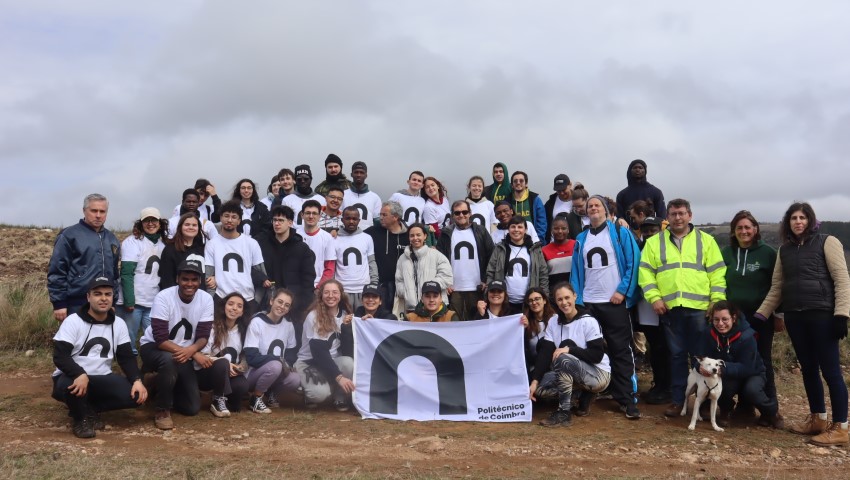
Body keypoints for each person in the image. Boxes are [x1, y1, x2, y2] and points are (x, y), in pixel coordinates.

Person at [756, 202, 850, 446]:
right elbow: (777, 287)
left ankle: (841, 427)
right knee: (808, 369)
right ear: (788, 223)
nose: (798, 222)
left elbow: (842, 279)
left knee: (831, 372)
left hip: (822, 315)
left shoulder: (827, 241)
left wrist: (842, 315)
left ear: (810, 220)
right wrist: (761, 315)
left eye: (802, 217)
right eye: (793, 218)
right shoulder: (784, 250)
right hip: (795, 317)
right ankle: (818, 419)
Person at [638, 198, 727, 418]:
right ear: (667, 217)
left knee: (702, 359)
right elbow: (645, 273)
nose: (678, 218)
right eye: (673, 214)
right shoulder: (654, 243)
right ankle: (678, 401)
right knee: (676, 357)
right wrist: (654, 298)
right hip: (670, 309)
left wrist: (716, 301)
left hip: (700, 309)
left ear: (690, 215)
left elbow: (717, 273)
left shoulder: (706, 241)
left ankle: (704, 403)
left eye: (681, 213)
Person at [570, 195, 642, 419]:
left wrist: (622, 291)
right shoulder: (581, 238)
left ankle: (627, 399)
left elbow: (634, 262)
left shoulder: (620, 233)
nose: (593, 208)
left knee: (621, 350)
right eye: (589, 206)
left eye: (597, 205)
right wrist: (578, 300)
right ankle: (587, 395)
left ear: (605, 210)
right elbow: (576, 271)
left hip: (614, 302)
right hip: (589, 303)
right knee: (588, 351)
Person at [52, 277, 147, 438]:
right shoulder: (73, 321)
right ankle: (80, 419)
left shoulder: (118, 323)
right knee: (72, 386)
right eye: (97, 294)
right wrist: (79, 373)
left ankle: (88, 408)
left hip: (102, 377)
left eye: (107, 294)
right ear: (88, 297)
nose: (103, 298)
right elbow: (60, 356)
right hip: (71, 376)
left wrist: (137, 380)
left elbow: (126, 357)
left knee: (137, 396)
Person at [139, 259, 214, 430]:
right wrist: (193, 353)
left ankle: (157, 382)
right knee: (169, 360)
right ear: (177, 279)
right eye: (185, 279)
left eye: (194, 280)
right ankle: (162, 410)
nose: (189, 284)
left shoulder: (206, 299)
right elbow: (160, 338)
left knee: (192, 408)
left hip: (184, 352)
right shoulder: (164, 297)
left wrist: (191, 350)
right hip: (155, 347)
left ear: (200, 281)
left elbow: (203, 336)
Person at [720, 210, 779, 419]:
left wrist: (778, 315)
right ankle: (742, 406)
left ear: (755, 229)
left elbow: (778, 285)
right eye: (739, 228)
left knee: (762, 360)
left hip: (761, 317)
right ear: (733, 231)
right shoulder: (726, 253)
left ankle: (771, 410)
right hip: (733, 319)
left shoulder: (769, 253)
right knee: (734, 358)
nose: (743, 231)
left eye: (747, 227)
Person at [530, 282, 612, 427]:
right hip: (572, 372)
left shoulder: (589, 321)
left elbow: (597, 355)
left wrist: (570, 350)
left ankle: (564, 413)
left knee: (563, 359)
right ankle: (581, 394)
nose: (564, 302)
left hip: (598, 373)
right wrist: (534, 381)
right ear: (555, 302)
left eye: (567, 297)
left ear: (575, 296)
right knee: (539, 389)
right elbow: (545, 354)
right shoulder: (554, 321)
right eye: (560, 299)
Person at [698, 301, 784, 429]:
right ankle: (725, 410)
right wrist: (700, 367)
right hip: (726, 374)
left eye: (725, 319)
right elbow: (699, 356)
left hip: (752, 373)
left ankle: (771, 412)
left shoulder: (747, 336)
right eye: (716, 319)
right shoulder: (708, 333)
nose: (720, 324)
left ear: (733, 318)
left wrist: (723, 369)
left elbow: (747, 367)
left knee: (752, 390)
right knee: (718, 383)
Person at [49, 193, 121, 323]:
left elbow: (115, 274)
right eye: (94, 210)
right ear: (84, 210)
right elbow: (57, 270)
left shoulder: (112, 239)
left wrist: (113, 301)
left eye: (102, 211)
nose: (98, 215)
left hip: (104, 304)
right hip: (76, 304)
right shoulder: (69, 235)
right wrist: (59, 303)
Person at [295, 280, 355, 410]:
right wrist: (339, 377)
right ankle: (307, 392)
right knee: (319, 395)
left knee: (349, 362)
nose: (330, 296)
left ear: (341, 295)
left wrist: (346, 329)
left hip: (332, 361)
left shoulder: (345, 315)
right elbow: (318, 351)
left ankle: (339, 397)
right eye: (326, 292)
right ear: (321, 295)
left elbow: (347, 349)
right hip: (309, 362)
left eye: (335, 292)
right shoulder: (314, 316)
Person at [204, 201, 270, 316]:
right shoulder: (212, 244)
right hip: (221, 298)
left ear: (239, 221)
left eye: (234, 217)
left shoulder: (251, 243)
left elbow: (262, 276)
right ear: (221, 218)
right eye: (226, 216)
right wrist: (211, 301)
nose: (229, 220)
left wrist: (256, 301)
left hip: (248, 299)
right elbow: (209, 277)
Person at [632, 216, 671, 405]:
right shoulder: (639, 248)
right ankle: (659, 385)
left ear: (660, 230)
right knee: (654, 347)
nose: (648, 234)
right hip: (646, 306)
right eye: (645, 231)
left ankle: (667, 387)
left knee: (665, 348)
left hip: (664, 305)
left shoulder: (667, 248)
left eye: (652, 230)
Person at [243, 288, 301, 414]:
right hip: (253, 374)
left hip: (275, 371)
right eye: (280, 302)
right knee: (275, 365)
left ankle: (271, 393)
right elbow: (251, 357)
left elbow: (291, 352)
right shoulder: (257, 322)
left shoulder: (288, 325)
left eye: (287, 305)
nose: (282, 307)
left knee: (295, 379)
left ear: (289, 309)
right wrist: (278, 360)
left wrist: (287, 364)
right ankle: (255, 398)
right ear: (271, 301)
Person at [256, 205, 316, 323]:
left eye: (281, 220)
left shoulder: (301, 247)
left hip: (294, 304)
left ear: (290, 223)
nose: (276, 223)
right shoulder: (261, 243)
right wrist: (261, 278)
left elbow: (308, 278)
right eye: (274, 220)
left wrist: (303, 303)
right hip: (268, 301)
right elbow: (252, 267)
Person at [120, 207, 168, 353]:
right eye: (147, 220)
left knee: (153, 338)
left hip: (153, 300)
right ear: (141, 223)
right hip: (135, 301)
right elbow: (127, 273)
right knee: (129, 338)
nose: (150, 223)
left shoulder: (162, 245)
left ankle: (149, 364)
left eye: (154, 220)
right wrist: (129, 300)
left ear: (160, 223)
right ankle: (129, 365)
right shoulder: (133, 242)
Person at [436, 200, 494, 321]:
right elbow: (439, 260)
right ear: (452, 215)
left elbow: (491, 257)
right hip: (453, 290)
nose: (461, 215)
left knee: (476, 322)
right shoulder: (446, 233)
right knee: (455, 323)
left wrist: (486, 279)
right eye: (457, 213)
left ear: (470, 213)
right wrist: (445, 282)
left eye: (464, 212)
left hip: (477, 288)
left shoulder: (481, 231)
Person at [194, 292, 250, 417]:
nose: (234, 308)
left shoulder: (243, 331)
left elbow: (245, 356)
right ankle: (217, 400)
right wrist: (225, 364)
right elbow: (202, 355)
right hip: (206, 372)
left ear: (242, 312)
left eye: (239, 306)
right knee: (223, 363)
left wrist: (240, 367)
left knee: (242, 387)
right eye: (230, 304)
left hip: (228, 375)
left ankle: (225, 399)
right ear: (224, 306)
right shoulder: (212, 327)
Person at [486, 215, 548, 312]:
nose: (516, 230)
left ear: (526, 230)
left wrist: (544, 297)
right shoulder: (500, 249)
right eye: (513, 227)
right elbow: (490, 272)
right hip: (505, 302)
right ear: (508, 229)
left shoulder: (535, 250)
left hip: (529, 302)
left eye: (520, 227)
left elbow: (543, 274)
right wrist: (488, 294)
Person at [395, 223, 453, 314]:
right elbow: (399, 281)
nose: (415, 238)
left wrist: (430, 288)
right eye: (412, 235)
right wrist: (407, 294)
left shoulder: (437, 255)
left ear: (425, 236)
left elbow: (446, 277)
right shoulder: (402, 258)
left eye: (418, 235)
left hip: (435, 308)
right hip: (412, 309)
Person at [365, 201, 409, 309]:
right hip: (380, 286)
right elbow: (354, 236)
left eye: (384, 215)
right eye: (380, 214)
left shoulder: (409, 235)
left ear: (395, 217)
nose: (380, 218)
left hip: (402, 286)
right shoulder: (372, 232)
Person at [333, 207, 379, 309]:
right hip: (343, 289)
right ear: (342, 220)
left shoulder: (367, 238)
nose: (351, 221)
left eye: (354, 219)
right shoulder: (334, 239)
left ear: (359, 220)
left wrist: (374, 283)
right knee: (344, 317)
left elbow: (371, 262)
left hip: (364, 289)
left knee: (362, 317)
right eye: (348, 218)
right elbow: (332, 265)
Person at [159, 213, 206, 291]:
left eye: (194, 225)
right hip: (178, 296)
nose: (191, 227)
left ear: (198, 228)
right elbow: (167, 279)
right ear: (180, 227)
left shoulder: (203, 249)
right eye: (187, 225)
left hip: (200, 296)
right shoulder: (170, 250)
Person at [615, 159, 667, 230]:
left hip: (651, 231)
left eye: (640, 168)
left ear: (645, 171)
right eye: (635, 168)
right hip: (629, 232)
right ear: (630, 171)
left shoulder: (656, 192)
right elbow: (620, 217)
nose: (637, 170)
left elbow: (662, 216)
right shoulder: (622, 195)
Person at [520, 287, 557, 378]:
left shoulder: (555, 318)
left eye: (537, 299)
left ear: (544, 300)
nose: (534, 302)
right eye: (530, 300)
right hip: (534, 364)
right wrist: (525, 329)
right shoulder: (524, 321)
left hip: (553, 362)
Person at [300, 200, 337, 288]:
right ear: (302, 215)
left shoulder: (327, 237)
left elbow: (330, 267)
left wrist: (319, 287)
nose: (311, 216)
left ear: (319, 216)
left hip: (317, 286)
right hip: (298, 285)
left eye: (314, 213)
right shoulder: (295, 235)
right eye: (308, 213)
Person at [282, 165, 326, 231]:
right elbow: (284, 223)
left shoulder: (321, 199)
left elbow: (324, 222)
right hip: (294, 236)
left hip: (316, 235)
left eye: (306, 179)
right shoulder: (287, 200)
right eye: (299, 179)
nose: (302, 181)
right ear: (295, 181)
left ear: (311, 179)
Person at [342, 161, 382, 230]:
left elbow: (377, 222)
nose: (358, 175)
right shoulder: (343, 195)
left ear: (366, 175)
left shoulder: (375, 198)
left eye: (361, 172)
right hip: (345, 235)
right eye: (356, 172)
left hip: (368, 235)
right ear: (351, 174)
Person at [509, 171, 547, 242]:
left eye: (521, 181)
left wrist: (538, 240)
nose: (518, 183)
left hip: (533, 241)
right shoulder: (507, 200)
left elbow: (542, 222)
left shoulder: (535, 199)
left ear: (526, 184)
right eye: (515, 181)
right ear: (512, 185)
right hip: (513, 241)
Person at [541, 213, 576, 289]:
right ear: (551, 231)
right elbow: (543, 276)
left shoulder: (576, 245)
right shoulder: (544, 250)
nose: (560, 231)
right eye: (556, 228)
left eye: (563, 228)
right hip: (553, 292)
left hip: (574, 292)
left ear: (568, 230)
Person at [543, 174, 572, 242]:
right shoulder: (550, 203)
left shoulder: (579, 200)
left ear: (570, 185)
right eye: (558, 191)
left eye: (564, 189)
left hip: (574, 243)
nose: (561, 193)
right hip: (553, 243)